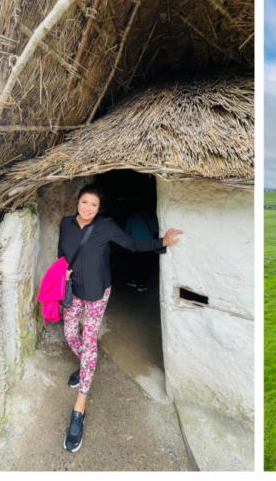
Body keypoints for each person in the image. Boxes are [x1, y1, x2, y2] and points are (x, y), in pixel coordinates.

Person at [58, 184, 182, 454]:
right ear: (77, 202)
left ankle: (79, 410)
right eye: (84, 202)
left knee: (89, 339)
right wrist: (61, 275)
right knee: (69, 334)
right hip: (73, 290)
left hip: (96, 293)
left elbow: (132, 244)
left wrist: (162, 242)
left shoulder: (105, 226)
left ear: (99, 208)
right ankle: (86, 364)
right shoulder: (66, 224)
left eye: (94, 205)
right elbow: (62, 254)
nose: (88, 208)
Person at [124, 210, 159, 291]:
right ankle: (141, 284)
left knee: (134, 262)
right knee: (145, 264)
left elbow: (127, 232)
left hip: (135, 243)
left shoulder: (131, 216)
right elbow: (156, 231)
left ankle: (133, 280)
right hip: (148, 243)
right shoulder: (152, 216)